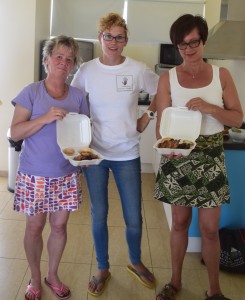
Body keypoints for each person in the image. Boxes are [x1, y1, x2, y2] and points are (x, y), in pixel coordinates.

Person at [154, 14, 243, 300]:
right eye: (182, 44)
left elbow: (238, 119)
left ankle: (214, 290)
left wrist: (209, 108)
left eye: (193, 42)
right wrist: (166, 145)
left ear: (203, 41)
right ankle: (175, 282)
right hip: (178, 156)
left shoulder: (222, 76)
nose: (188, 49)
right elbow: (162, 124)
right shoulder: (168, 78)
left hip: (211, 158)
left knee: (208, 229)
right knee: (179, 223)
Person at [71, 12, 159, 297]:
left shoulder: (137, 69)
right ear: (100, 38)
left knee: (133, 215)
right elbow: (72, 101)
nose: (113, 41)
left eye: (119, 36)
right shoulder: (86, 71)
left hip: (127, 154)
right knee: (99, 214)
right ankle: (103, 267)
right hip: (95, 154)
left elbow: (164, 91)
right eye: (108, 35)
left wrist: (147, 118)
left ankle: (135, 261)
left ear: (126, 41)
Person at [10, 35, 89, 300]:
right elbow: (15, 132)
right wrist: (45, 118)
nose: (64, 63)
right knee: (34, 227)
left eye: (69, 59)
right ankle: (34, 277)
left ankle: (52, 275)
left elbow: (84, 136)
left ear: (73, 65)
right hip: (34, 175)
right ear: (47, 61)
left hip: (66, 175)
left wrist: (84, 156)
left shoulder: (78, 97)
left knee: (59, 228)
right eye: (59, 57)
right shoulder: (31, 92)